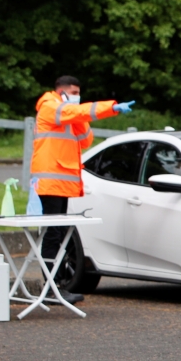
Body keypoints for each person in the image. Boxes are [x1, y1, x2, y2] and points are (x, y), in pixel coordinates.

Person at [31, 75, 134, 304]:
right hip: (51, 182)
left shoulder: (66, 113)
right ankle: (51, 288)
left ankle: (56, 286)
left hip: (61, 182)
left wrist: (78, 116)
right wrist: (112, 107)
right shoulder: (50, 107)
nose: (78, 97)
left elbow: (86, 139)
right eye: (75, 92)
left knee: (59, 234)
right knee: (53, 235)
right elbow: (76, 115)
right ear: (62, 91)